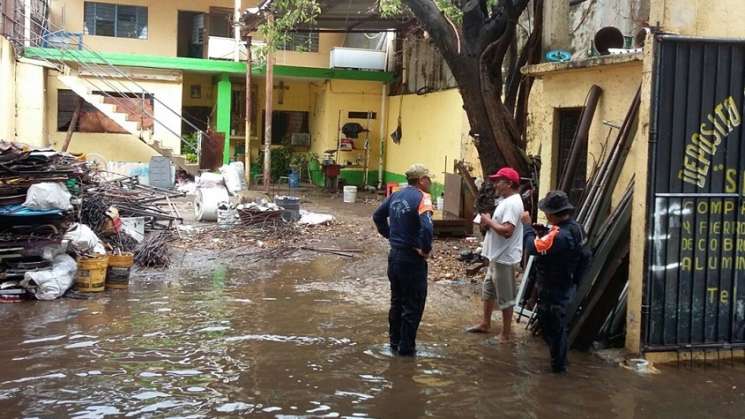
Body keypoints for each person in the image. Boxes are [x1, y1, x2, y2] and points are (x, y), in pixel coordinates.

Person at [373, 164, 434, 356]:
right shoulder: (423, 198)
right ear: (421, 180)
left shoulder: (396, 195)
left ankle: (393, 344)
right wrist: (425, 249)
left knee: (397, 302)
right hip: (412, 259)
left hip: (395, 257)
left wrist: (390, 235)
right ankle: (407, 350)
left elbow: (377, 216)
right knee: (413, 304)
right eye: (429, 179)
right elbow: (427, 228)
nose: (430, 182)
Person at [522, 190, 586, 374]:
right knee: (558, 328)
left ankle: (559, 368)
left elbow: (532, 247)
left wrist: (527, 228)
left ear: (551, 213)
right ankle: (560, 362)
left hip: (553, 287)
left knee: (552, 327)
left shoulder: (558, 236)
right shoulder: (577, 228)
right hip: (567, 283)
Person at [466, 167, 524, 341]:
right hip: (496, 256)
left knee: (505, 296)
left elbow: (507, 231)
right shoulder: (505, 201)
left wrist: (488, 221)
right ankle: (485, 323)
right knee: (489, 290)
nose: (495, 184)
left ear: (509, 184)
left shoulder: (513, 203)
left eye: (499, 181)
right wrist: (487, 222)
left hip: (504, 257)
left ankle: (505, 334)